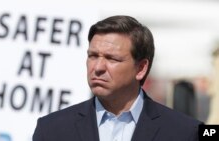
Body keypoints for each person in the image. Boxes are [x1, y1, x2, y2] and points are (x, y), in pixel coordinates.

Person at [33, 15, 202, 141]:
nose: (97, 67)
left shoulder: (186, 132)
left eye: (112, 59)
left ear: (141, 68)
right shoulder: (51, 129)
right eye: (92, 56)